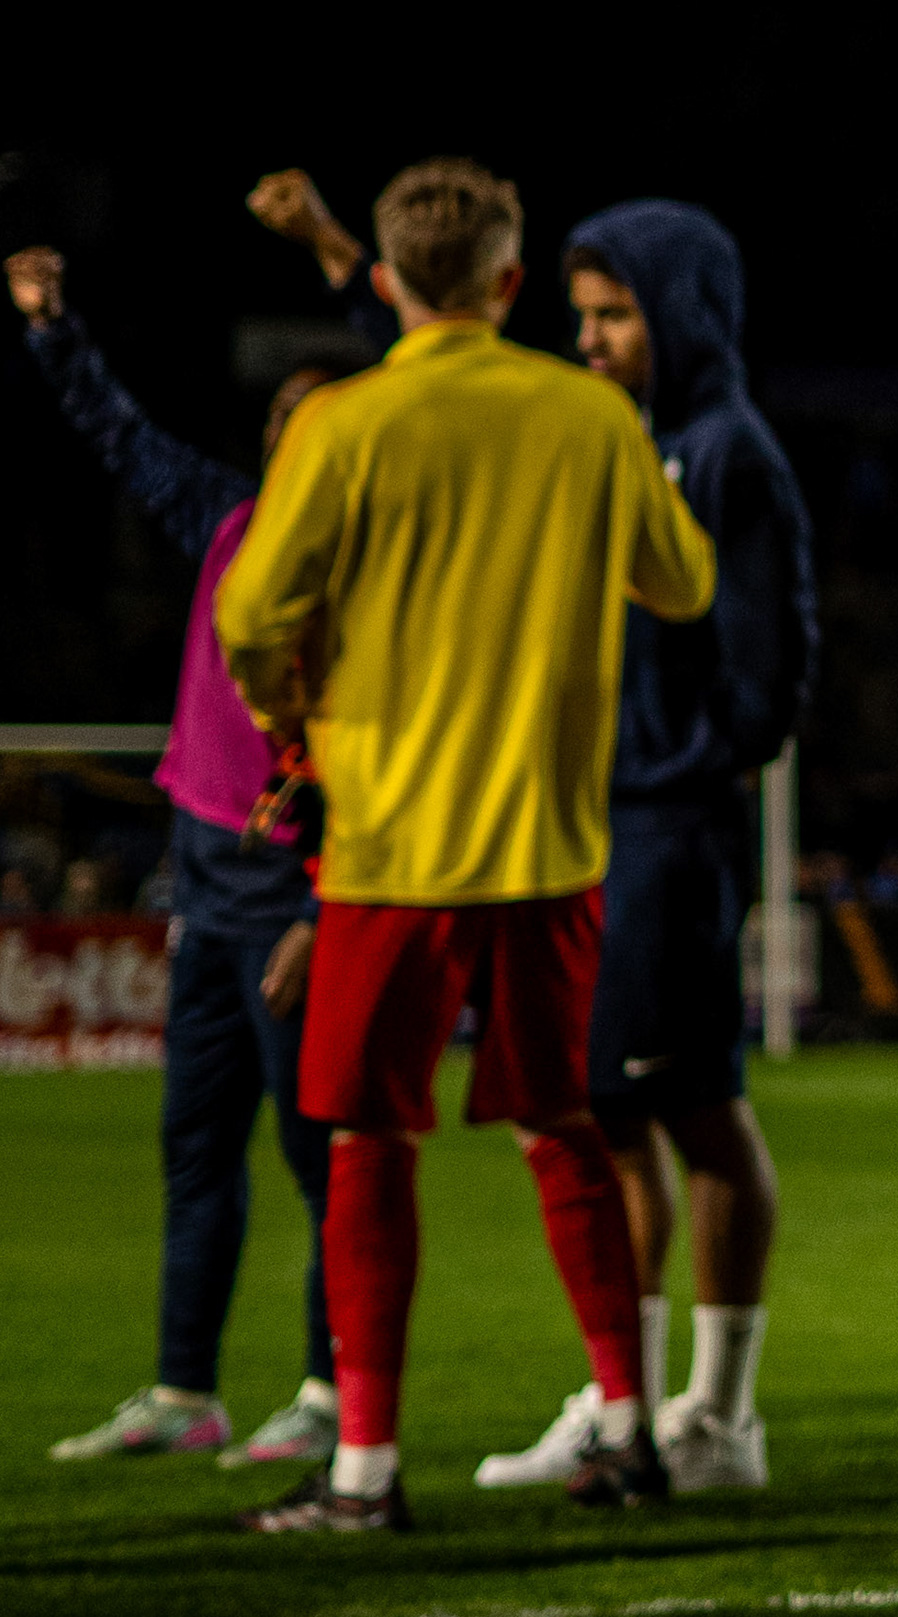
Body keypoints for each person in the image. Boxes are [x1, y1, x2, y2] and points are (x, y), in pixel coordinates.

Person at [209, 157, 718, 1534]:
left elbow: (250, 613)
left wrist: (284, 707)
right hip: (549, 845)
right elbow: (683, 582)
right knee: (565, 1131)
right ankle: (632, 1428)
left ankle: (367, 1469)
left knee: (369, 1144)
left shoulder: (346, 424)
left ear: (386, 279)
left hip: (392, 848)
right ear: (509, 279)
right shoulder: (589, 415)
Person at [7, 230, 378, 1469]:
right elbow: (125, 441)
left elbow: (388, 758)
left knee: (318, 1152)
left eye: (311, 420)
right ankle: (185, 1394)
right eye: (278, 417)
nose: (285, 433)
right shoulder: (229, 519)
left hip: (295, 890)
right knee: (195, 1142)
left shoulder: (371, 576)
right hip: (207, 880)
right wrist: (54, 333)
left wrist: (325, 912)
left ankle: (331, 1397)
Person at [472, 205, 818, 1500]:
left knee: (696, 1109)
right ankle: (628, 1398)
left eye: (615, 314)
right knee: (611, 1111)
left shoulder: (728, 454)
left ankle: (716, 1417)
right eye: (584, 316)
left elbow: (771, 671)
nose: (591, 340)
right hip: (599, 822)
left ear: (682, 311)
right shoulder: (619, 441)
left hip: (671, 830)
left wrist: (679, 768)